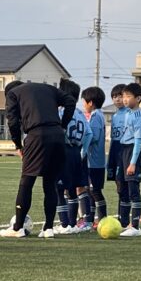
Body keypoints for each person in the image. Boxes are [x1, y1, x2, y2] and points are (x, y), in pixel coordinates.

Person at [0, 80, 76, 239]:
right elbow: (70, 101)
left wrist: (18, 144)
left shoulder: (13, 94)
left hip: (37, 136)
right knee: (50, 183)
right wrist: (62, 125)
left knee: (26, 182)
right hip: (57, 136)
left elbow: (12, 120)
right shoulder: (48, 88)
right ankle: (48, 228)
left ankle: (18, 227)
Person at [56, 79, 90, 234]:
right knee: (72, 189)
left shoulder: (61, 111)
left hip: (64, 150)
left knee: (59, 189)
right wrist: (83, 152)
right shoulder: (80, 113)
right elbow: (89, 134)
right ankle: (73, 224)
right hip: (77, 151)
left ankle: (65, 224)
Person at [118, 83, 141, 238]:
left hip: (132, 152)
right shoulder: (128, 113)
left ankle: (135, 226)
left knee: (133, 190)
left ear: (138, 98)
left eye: (128, 96)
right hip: (124, 150)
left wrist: (133, 163)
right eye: (123, 96)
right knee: (123, 189)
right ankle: (126, 224)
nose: (124, 99)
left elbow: (138, 141)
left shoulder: (139, 116)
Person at [81, 86, 109, 225]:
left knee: (95, 191)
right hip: (92, 161)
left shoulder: (96, 116)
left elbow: (94, 136)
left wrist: (81, 139)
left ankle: (103, 219)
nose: (83, 105)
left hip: (95, 161)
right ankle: (89, 220)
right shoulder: (97, 115)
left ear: (90, 102)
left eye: (84, 102)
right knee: (90, 191)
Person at [106, 84, 128, 221]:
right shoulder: (114, 116)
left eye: (120, 96)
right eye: (114, 97)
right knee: (118, 184)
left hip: (124, 148)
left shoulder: (129, 113)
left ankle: (125, 217)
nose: (117, 99)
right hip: (114, 148)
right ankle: (121, 215)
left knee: (124, 184)